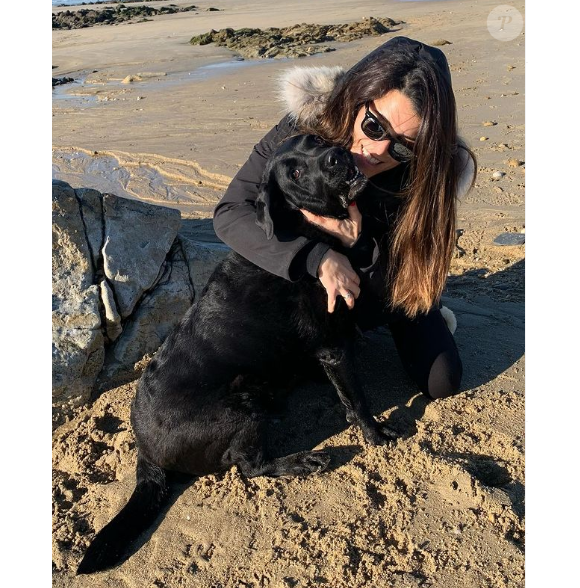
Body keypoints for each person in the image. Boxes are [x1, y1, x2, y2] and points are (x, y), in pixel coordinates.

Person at [213, 36, 476, 400]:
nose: (379, 150)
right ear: (357, 97)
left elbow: (416, 262)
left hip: (388, 274)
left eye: (404, 145)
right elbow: (230, 212)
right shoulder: (306, 126)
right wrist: (317, 257)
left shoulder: (431, 174)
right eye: (374, 126)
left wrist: (358, 243)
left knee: (442, 381)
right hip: (312, 273)